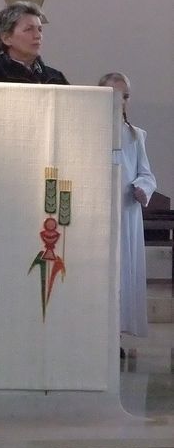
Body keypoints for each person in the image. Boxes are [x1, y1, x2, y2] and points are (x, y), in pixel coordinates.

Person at [99, 73, 156, 342]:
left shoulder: (135, 136)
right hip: (97, 216)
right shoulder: (89, 130)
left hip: (125, 212)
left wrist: (142, 188)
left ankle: (116, 338)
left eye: (126, 96)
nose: (121, 101)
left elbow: (147, 174)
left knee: (122, 275)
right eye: (115, 95)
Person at [0, 1, 68, 84]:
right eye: (29, 29)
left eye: (40, 30)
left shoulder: (55, 78)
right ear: (6, 38)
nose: (38, 36)